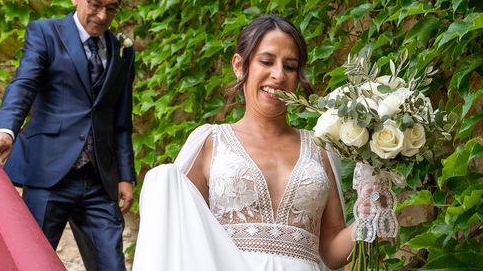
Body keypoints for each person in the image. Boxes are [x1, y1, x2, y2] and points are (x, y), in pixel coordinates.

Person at [133, 14, 366, 271]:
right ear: (239, 65)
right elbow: (180, 241)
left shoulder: (320, 148)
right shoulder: (210, 143)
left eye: (290, 66)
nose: (278, 74)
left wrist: (370, 218)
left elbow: (332, 252)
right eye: (266, 61)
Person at [0, 0, 136, 271]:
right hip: (48, 176)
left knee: (112, 266)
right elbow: (24, 84)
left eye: (111, 9)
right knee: (29, 263)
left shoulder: (123, 50)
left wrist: (126, 174)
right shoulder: (45, 33)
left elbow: (121, 119)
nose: (102, 16)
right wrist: (5, 131)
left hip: (98, 180)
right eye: (95, 4)